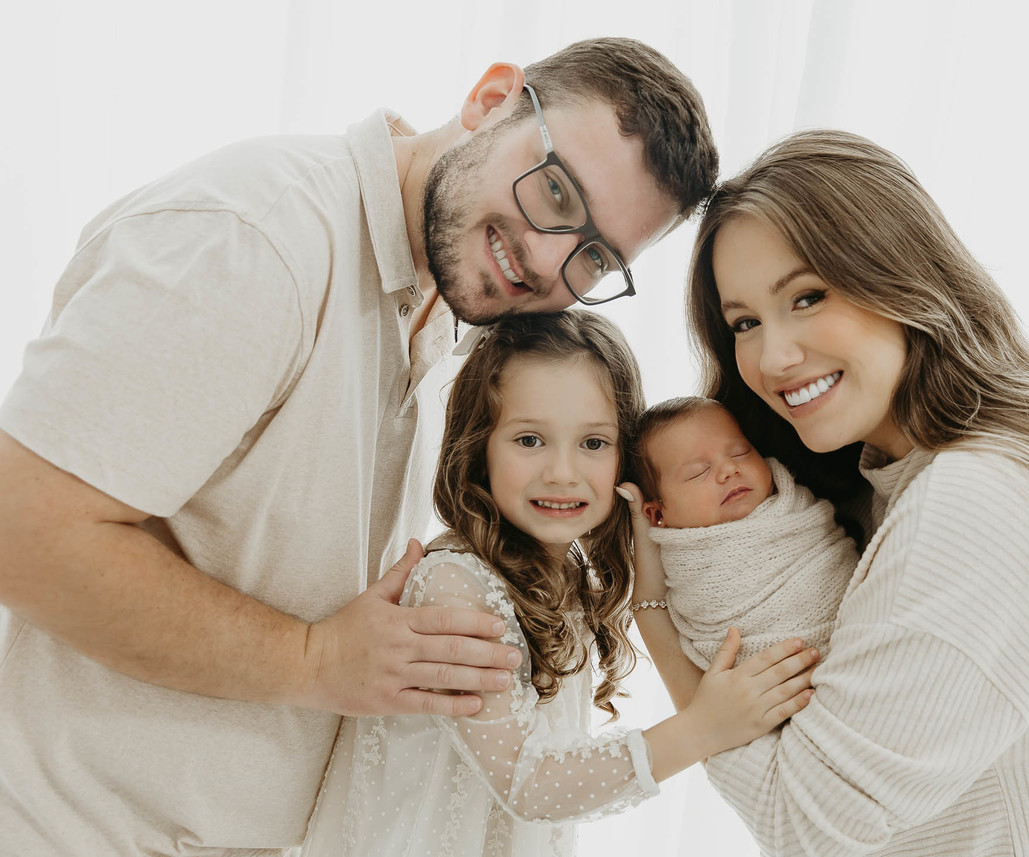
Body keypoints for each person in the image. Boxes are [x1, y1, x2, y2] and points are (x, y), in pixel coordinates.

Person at [0, 38, 719, 856]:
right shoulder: (259, 238)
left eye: (595, 256)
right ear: (490, 100)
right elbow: (21, 532)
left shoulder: (450, 304)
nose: (549, 258)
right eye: (555, 190)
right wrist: (312, 659)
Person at [624, 130, 1029, 855]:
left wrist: (659, 630)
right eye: (745, 323)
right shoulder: (912, 479)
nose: (774, 357)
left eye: (807, 296)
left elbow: (803, 826)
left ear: (898, 276)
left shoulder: (977, 499)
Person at [301, 310, 818, 856]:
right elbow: (529, 785)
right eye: (530, 440)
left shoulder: (567, 575)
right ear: (479, 447)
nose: (563, 473)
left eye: (593, 443)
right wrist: (703, 728)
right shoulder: (456, 583)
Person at [629, 395, 858, 669]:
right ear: (658, 514)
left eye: (740, 452)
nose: (729, 469)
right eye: (698, 472)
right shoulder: (691, 573)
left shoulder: (800, 513)